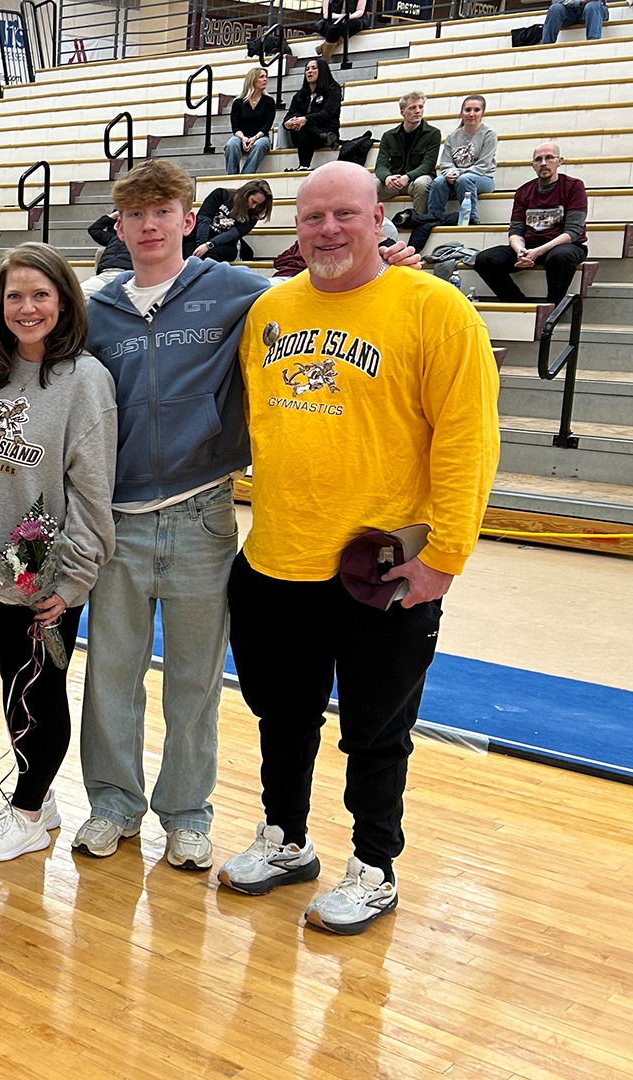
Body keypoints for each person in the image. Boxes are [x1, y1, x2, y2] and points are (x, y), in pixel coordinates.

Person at [219, 161, 499, 935]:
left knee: (376, 732)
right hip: (275, 559)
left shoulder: (435, 309)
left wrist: (445, 557)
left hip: (378, 572)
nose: (329, 230)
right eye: (312, 218)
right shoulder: (270, 310)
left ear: (380, 217)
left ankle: (374, 866)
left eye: (345, 214)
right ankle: (287, 840)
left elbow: (469, 441)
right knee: (282, 717)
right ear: (295, 229)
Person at [75, 159, 267, 869]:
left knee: (195, 679)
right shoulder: (96, 307)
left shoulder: (238, 292)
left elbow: (318, 299)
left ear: (190, 219)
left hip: (202, 514)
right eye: (136, 215)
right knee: (111, 676)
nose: (150, 226)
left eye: (164, 212)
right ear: (120, 226)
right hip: (116, 520)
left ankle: (187, 813)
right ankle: (112, 806)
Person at [0, 244, 117, 863]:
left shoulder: (86, 381)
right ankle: (39, 793)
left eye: (40, 295)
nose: (27, 308)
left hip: (43, 578)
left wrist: (75, 579)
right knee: (15, 684)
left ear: (64, 302)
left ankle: (27, 813)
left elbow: (93, 492)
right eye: (14, 296)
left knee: (41, 689)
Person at [473, 142, 589, 304]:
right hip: (530, 246)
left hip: (564, 246)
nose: (543, 163)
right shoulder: (523, 191)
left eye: (549, 158)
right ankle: (518, 304)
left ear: (560, 161)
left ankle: (553, 307)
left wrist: (538, 252)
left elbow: (573, 232)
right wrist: (521, 250)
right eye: (538, 159)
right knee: (484, 259)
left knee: (561, 256)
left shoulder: (574, 186)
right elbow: (515, 231)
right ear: (533, 165)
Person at [414, 95, 497, 249]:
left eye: (476, 110)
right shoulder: (453, 136)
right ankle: (434, 217)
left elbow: (483, 165)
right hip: (457, 178)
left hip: (483, 178)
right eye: (468, 110)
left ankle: (471, 218)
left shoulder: (489, 135)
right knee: (438, 182)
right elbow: (445, 163)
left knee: (465, 180)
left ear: (482, 112)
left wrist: (458, 173)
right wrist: (449, 173)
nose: (471, 113)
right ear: (462, 112)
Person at [374, 92, 442, 221]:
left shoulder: (433, 133)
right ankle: (370, 224)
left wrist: (408, 177)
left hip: (415, 180)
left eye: (420, 107)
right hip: (393, 182)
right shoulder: (389, 136)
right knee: (371, 185)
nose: (418, 111)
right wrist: (387, 177)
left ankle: (418, 221)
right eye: (412, 108)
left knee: (423, 183)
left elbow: (428, 165)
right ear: (402, 112)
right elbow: (380, 165)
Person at [191, 179, 275, 263]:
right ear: (245, 194)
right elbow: (204, 220)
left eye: (258, 205)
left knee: (213, 255)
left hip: (225, 243)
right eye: (253, 201)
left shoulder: (253, 215)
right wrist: (201, 244)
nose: (254, 207)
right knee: (190, 253)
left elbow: (232, 234)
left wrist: (209, 245)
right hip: (200, 235)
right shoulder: (220, 194)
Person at [283, 59, 342, 172]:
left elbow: (327, 113)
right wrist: (288, 123)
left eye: (314, 68)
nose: (309, 72)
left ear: (322, 71)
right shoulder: (299, 95)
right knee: (302, 129)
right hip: (305, 133)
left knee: (305, 132)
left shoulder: (333, 90)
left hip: (326, 128)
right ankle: (322, 136)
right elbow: (289, 115)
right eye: (307, 69)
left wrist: (305, 119)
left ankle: (303, 166)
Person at [224, 67, 278, 176]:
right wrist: (243, 138)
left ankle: (246, 176)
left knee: (259, 145)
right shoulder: (238, 102)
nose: (265, 80)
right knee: (231, 144)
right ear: (253, 80)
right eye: (261, 77)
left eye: (266, 77)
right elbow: (235, 127)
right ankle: (231, 176)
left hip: (261, 136)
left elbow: (267, 126)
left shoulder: (269, 101)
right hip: (241, 136)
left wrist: (254, 138)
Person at [81, 211, 133, 297]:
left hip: (124, 275)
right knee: (77, 296)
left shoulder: (138, 238)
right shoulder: (112, 237)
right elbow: (93, 229)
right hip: (104, 275)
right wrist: (114, 215)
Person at [542, 0, 608, 42]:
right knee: (555, 8)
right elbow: (557, 1)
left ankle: (593, 42)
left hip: (594, 10)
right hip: (569, 12)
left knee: (592, 6)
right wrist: (580, 1)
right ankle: (546, 45)